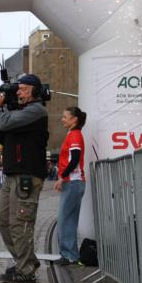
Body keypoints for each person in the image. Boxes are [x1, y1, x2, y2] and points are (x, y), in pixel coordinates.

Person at [0, 74, 50, 283]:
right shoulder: (19, 113)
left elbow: (6, 124)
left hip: (27, 174)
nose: (18, 92)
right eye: (18, 89)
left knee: (20, 223)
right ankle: (25, 262)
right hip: (13, 173)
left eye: (23, 89)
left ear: (34, 90)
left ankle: (25, 270)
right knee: (3, 219)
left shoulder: (36, 111)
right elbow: (2, 135)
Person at [54, 106, 87, 266]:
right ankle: (71, 255)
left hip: (72, 182)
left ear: (74, 119)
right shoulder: (74, 134)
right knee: (69, 219)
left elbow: (74, 160)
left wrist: (62, 177)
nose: (62, 119)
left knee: (65, 219)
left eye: (65, 117)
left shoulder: (74, 135)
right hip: (74, 182)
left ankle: (68, 255)